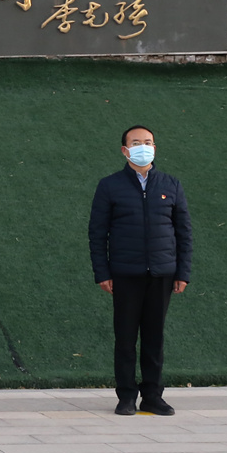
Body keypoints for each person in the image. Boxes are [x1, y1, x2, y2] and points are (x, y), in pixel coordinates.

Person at [89, 125, 192, 417]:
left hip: (162, 273)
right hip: (125, 273)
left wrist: (182, 272)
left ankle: (152, 396)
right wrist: (102, 272)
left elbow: (184, 232)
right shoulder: (109, 186)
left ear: (155, 148)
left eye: (147, 142)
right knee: (125, 338)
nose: (142, 147)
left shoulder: (171, 185)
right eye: (136, 143)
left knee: (154, 338)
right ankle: (126, 397)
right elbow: (97, 233)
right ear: (125, 150)